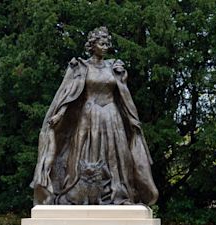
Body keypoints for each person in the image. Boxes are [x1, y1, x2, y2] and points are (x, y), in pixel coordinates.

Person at [31, 26, 158, 206]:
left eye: (107, 44)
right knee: (82, 153)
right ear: (92, 45)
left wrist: (130, 115)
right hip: (88, 114)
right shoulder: (81, 67)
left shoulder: (114, 67)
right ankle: (80, 193)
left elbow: (123, 95)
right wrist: (59, 114)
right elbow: (68, 94)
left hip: (112, 114)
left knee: (118, 154)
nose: (105, 47)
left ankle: (118, 193)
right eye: (101, 43)